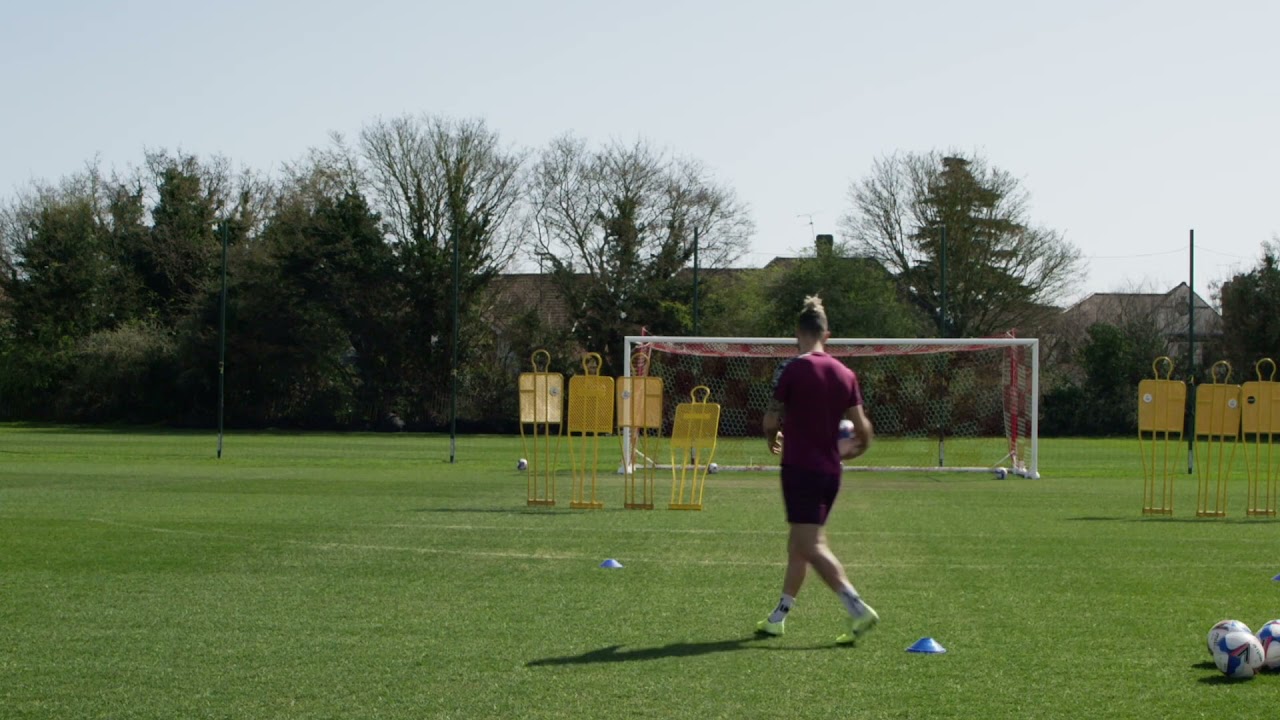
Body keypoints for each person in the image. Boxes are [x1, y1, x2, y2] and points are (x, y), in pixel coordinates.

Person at [755, 295, 878, 645]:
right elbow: (863, 428)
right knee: (799, 542)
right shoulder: (845, 373)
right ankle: (778, 617)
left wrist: (772, 437)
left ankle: (857, 608)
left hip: (800, 468)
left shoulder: (792, 369)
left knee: (811, 545)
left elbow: (770, 419)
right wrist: (855, 451)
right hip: (830, 472)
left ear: (798, 332)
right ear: (828, 334)